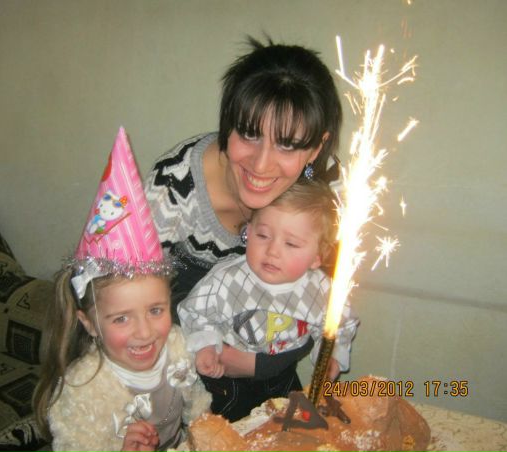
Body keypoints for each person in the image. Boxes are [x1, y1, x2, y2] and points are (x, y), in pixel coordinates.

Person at [144, 36, 343, 399]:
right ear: (228, 125)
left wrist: (260, 365)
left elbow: (321, 302)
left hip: (274, 370)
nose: (261, 164)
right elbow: (126, 309)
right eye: (249, 133)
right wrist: (203, 354)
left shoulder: (327, 187)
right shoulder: (173, 188)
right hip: (178, 373)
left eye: (287, 144)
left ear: (316, 148)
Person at [33, 128, 210, 452]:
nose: (145, 332)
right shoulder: (81, 391)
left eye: (155, 310)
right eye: (121, 319)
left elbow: (198, 407)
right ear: (89, 323)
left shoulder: (177, 345)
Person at [177, 181, 359, 421]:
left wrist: (331, 355)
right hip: (228, 384)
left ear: (317, 257)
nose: (272, 250)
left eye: (291, 243)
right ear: (248, 231)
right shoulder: (226, 279)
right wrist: (206, 347)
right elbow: (194, 311)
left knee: (288, 431)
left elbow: (341, 324)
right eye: (262, 235)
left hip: (284, 379)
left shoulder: (321, 291)